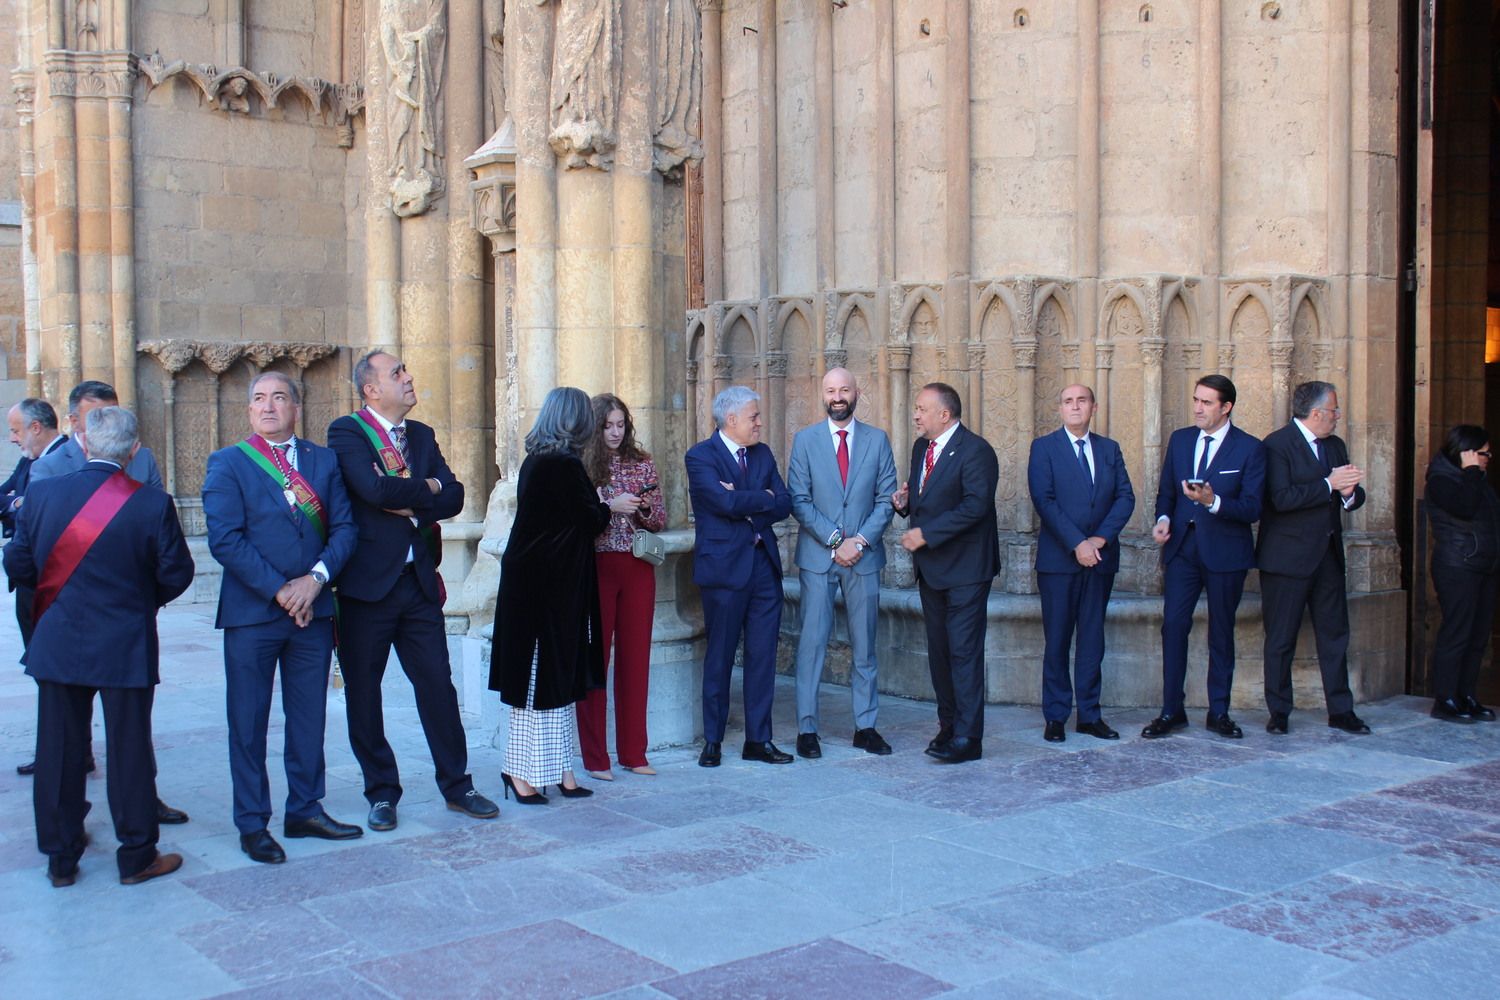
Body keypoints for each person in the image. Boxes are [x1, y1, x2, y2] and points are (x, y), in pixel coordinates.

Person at [4, 406, 195, 887]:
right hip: (125, 641)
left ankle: (61, 859)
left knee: (59, 751)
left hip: (59, 640)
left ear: (83, 444)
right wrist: (138, 601)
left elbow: (19, 565)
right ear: (134, 452)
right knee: (129, 749)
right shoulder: (152, 504)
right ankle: (136, 856)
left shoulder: (42, 493)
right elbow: (177, 573)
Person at [326, 351, 498, 831]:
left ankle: (457, 785)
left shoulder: (420, 435)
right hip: (365, 589)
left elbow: (458, 495)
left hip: (417, 585)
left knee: (438, 688)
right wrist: (426, 490)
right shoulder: (347, 432)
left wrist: (415, 497)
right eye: (397, 372)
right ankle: (381, 793)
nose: (409, 377)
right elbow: (372, 492)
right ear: (371, 390)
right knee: (365, 693)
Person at [203, 372, 363, 865]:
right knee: (248, 722)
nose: (268, 406)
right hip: (253, 614)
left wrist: (314, 580)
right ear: (249, 411)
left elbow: (344, 528)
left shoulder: (323, 461)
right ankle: (253, 823)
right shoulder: (229, 463)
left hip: (312, 612)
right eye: (258, 399)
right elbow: (225, 539)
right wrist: (279, 589)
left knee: (309, 715)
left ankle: (305, 808)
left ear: (296, 407)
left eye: (278, 398)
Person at [491, 387, 610, 802]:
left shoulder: (540, 461)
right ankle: (519, 772)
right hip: (544, 591)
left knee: (554, 679)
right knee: (538, 682)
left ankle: (562, 771)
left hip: (541, 586)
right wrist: (605, 504)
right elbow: (591, 520)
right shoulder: (563, 465)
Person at [787, 367, 898, 758]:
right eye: (831, 390)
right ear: (823, 394)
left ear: (857, 393)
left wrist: (860, 541)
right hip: (820, 557)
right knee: (812, 644)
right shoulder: (805, 441)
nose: (838, 396)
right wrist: (837, 541)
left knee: (865, 646)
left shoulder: (877, 440)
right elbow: (798, 499)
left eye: (844, 390)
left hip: (864, 558)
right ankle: (807, 729)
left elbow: (886, 499)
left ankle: (865, 726)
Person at [1147, 374, 1264, 740]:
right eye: (1196, 400)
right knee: (1174, 626)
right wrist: (1163, 519)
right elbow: (1166, 491)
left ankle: (1219, 711)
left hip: (1225, 551)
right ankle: (1171, 709)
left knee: (1221, 632)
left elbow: (1252, 507)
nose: (1198, 408)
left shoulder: (1250, 448)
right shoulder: (1181, 440)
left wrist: (1212, 501)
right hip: (1182, 549)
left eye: (1207, 402)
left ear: (1226, 407)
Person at [685, 385, 793, 767]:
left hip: (764, 568)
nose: (760, 423)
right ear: (731, 420)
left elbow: (784, 502)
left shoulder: (762, 453)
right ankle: (713, 740)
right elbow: (722, 502)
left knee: (763, 657)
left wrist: (749, 500)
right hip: (724, 572)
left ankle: (758, 740)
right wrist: (758, 497)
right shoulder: (700, 456)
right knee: (720, 655)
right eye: (754, 417)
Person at [891, 383, 999, 764]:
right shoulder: (923, 448)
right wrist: (906, 506)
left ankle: (969, 738)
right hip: (932, 570)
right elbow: (931, 499)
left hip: (967, 571)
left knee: (964, 653)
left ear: (945, 414)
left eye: (922, 409)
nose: (916, 415)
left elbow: (975, 506)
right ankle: (949, 726)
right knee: (939, 654)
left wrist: (926, 534)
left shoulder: (976, 451)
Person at [1258, 381, 1369, 735]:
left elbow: (1348, 494)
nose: (1338, 416)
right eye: (1334, 410)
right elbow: (1280, 499)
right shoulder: (1276, 445)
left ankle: (1341, 711)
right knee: (1280, 639)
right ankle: (1279, 712)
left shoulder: (1335, 446)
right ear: (1317, 412)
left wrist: (1350, 493)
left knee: (1335, 636)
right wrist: (1329, 484)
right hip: (1286, 559)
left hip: (1327, 558)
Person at [1026, 384, 1135, 743]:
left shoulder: (1109, 449)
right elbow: (1045, 500)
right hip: (1060, 561)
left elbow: (1125, 497)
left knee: (1092, 640)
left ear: (1094, 407)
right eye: (1068, 401)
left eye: (1082, 401)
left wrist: (1098, 540)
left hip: (1100, 558)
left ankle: (1089, 714)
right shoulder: (1044, 448)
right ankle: (1056, 716)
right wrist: (1077, 543)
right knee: (1057, 639)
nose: (1075, 406)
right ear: (1060, 408)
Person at [577, 393, 666, 780]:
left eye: (620, 425)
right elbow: (577, 517)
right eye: (607, 426)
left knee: (635, 659)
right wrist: (609, 503)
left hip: (637, 565)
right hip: (596, 566)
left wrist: (640, 508)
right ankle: (596, 758)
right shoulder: (580, 464)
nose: (615, 432)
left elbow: (660, 516)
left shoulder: (642, 462)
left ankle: (634, 751)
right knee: (597, 661)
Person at [5, 398, 66, 777]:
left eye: (15, 430)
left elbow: (24, 512)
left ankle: (59, 754)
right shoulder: (30, 459)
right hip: (28, 585)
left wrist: (14, 504)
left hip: (47, 585)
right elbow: (9, 496)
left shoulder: (57, 463)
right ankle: (59, 750)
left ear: (36, 427)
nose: (12, 438)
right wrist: (14, 502)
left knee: (51, 675)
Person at [1424, 424, 1500, 723]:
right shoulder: (1441, 481)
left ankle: (1466, 695)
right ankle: (1445, 699)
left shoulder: (1476, 479)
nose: (1487, 458)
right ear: (1466, 453)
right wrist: (1471, 472)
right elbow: (1465, 508)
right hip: (1458, 566)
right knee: (1457, 633)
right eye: (1483, 453)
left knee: (1477, 635)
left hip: (1483, 566)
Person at [29, 380, 164, 489]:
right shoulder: (48, 467)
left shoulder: (143, 457)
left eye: (113, 415)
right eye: (96, 417)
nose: (108, 423)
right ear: (74, 421)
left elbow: (158, 513)